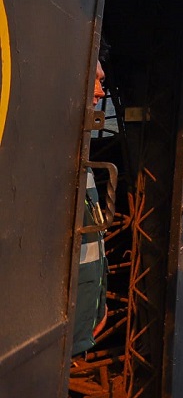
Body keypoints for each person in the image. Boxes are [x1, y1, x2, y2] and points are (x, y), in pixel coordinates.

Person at [73, 58, 110, 356]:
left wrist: (96, 306)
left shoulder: (77, 152)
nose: (100, 92)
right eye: (94, 80)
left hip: (82, 316)